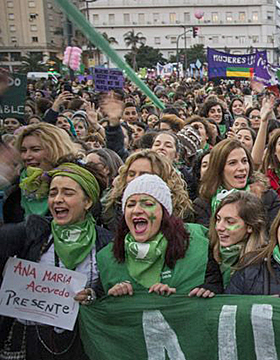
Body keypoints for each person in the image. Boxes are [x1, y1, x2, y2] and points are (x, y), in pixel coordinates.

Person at [0, 159, 110, 359]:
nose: (57, 199)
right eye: (53, 193)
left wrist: (93, 295)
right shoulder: (32, 231)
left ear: (88, 201)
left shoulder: (105, 242)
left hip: (80, 340)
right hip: (31, 340)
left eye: (68, 193)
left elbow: (111, 291)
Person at [96, 174, 221, 297]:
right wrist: (109, 296)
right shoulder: (108, 257)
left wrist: (206, 290)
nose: (137, 210)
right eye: (131, 204)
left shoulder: (197, 243)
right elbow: (99, 302)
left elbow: (217, 287)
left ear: (164, 213)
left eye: (148, 204)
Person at [194, 138, 280, 227]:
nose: (242, 167)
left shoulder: (268, 197)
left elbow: (272, 235)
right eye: (232, 163)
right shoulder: (203, 204)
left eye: (244, 161)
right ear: (218, 168)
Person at [101, 150, 194, 231]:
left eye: (144, 174)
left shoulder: (181, 212)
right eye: (131, 174)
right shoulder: (109, 208)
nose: (136, 179)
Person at [3, 123, 77, 223]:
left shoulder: (77, 183)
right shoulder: (15, 189)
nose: (27, 156)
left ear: (56, 149)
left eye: (35, 150)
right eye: (23, 150)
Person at [209, 190, 268, 286]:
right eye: (218, 219)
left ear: (250, 226)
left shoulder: (265, 264)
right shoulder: (206, 252)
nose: (219, 227)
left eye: (230, 222)